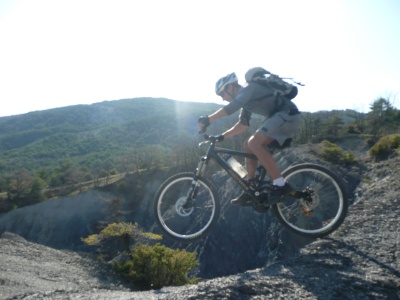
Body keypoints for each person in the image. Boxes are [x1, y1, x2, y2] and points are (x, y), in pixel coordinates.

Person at [198, 69, 301, 206]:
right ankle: (250, 188)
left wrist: (208, 119)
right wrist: (222, 136)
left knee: (254, 143)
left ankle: (281, 184)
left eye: (222, 93)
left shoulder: (248, 88)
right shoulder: (246, 101)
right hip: (281, 117)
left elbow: (231, 108)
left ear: (230, 86)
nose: (222, 98)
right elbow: (242, 125)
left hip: (288, 115)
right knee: (248, 145)